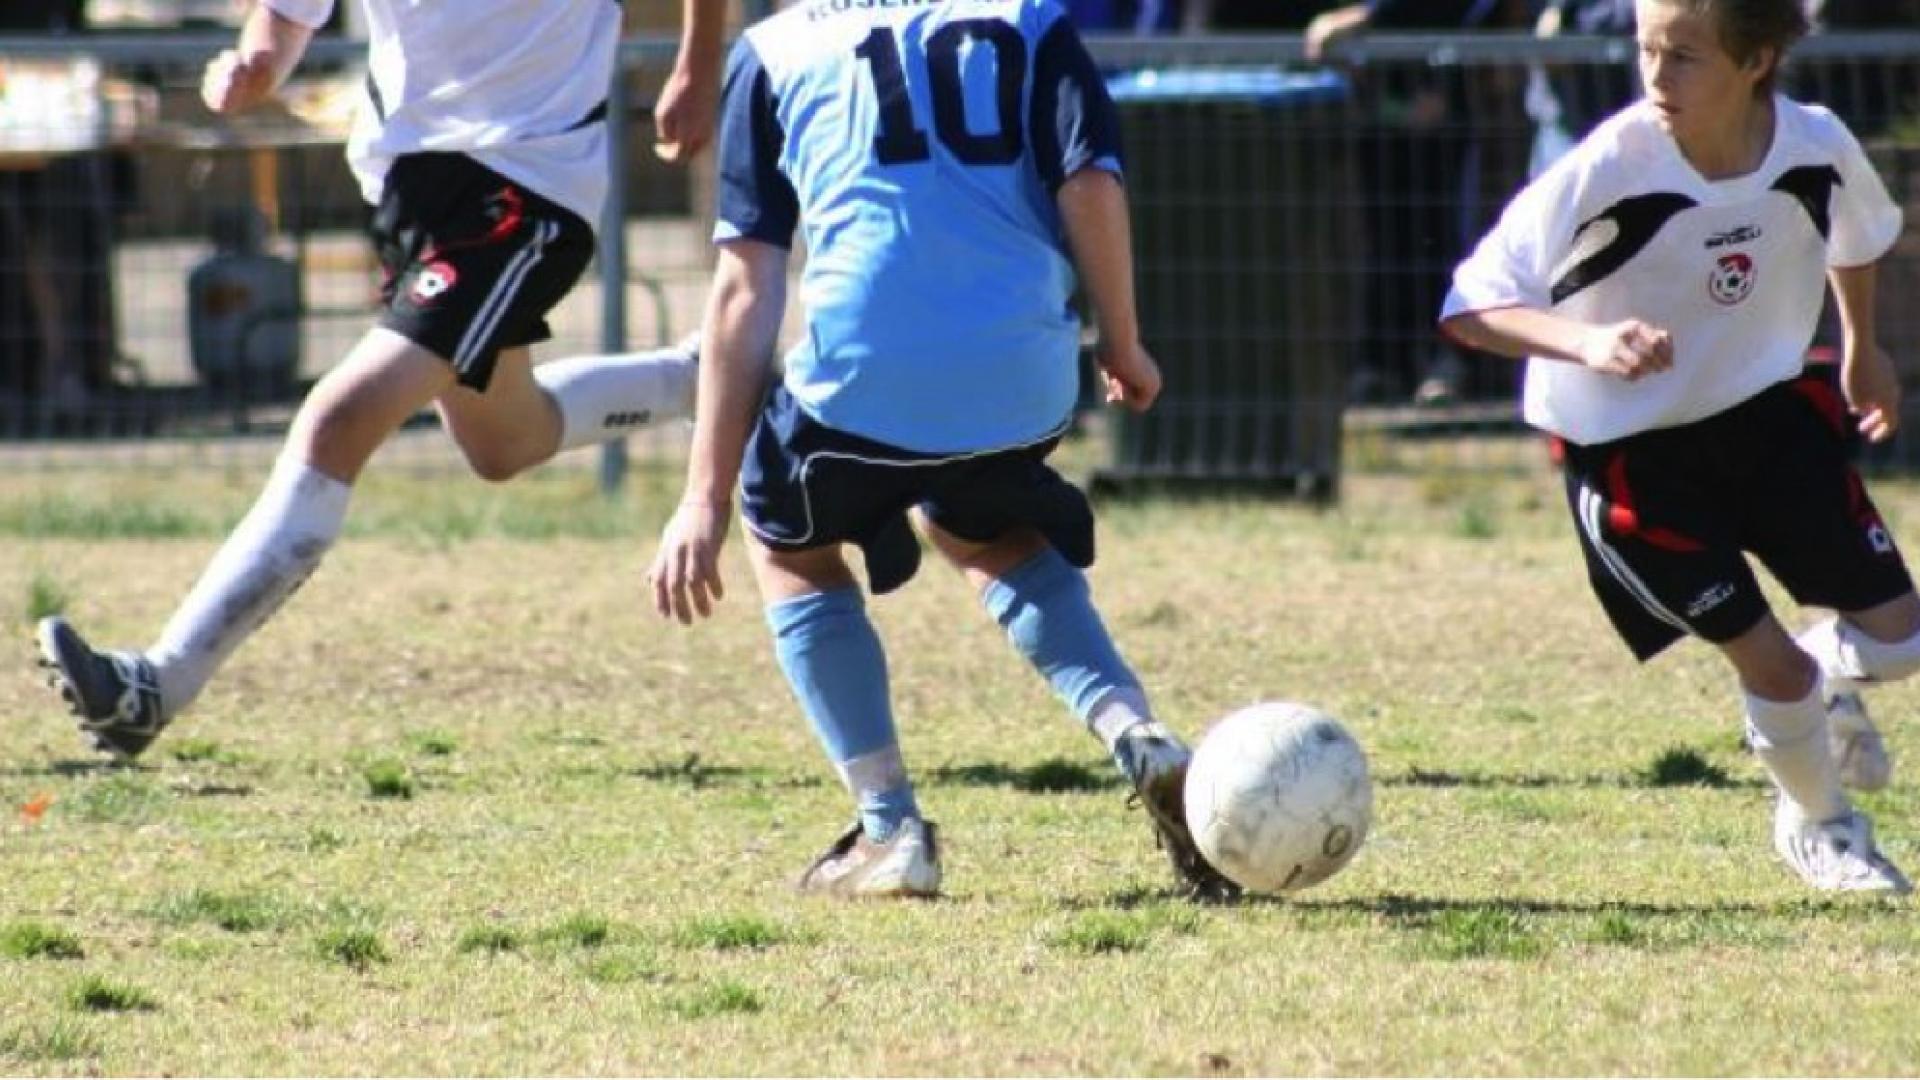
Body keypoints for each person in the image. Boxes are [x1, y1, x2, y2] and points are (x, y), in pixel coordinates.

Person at [645, 0, 1237, 900]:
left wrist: (704, 498)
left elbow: (745, 284)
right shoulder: (1030, 20)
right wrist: (1123, 340)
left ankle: (890, 831)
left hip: (864, 385)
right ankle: (1134, 731)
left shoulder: (772, 50)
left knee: (789, 549)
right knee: (986, 531)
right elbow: (1091, 184)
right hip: (1024, 379)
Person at [35, 0, 725, 759]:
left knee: (338, 420)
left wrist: (696, 64)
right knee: (505, 441)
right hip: (411, 188)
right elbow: (284, 21)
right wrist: (251, 67)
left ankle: (157, 683)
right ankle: (713, 378)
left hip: (531, 183)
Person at [1440, 0, 1917, 893]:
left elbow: (1855, 232)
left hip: (1764, 421)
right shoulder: (1609, 165)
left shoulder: (1813, 142)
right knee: (1767, 664)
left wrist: (1862, 346)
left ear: (1757, 61)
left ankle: (1817, 684)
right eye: (1645, 50)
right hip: (1632, 458)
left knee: (1899, 639)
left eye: (1685, 56)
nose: (1655, 78)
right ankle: (1824, 829)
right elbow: (1470, 303)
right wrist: (1584, 342)